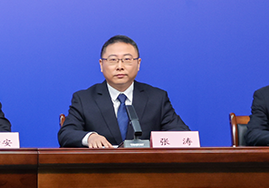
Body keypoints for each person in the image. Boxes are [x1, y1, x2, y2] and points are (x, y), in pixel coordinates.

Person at [58, 35, 189, 148]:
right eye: (113, 60)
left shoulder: (156, 98)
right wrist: (90, 137)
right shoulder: (84, 99)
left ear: (138, 64)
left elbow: (182, 135)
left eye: (127, 59)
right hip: (101, 168)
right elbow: (66, 134)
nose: (120, 67)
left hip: (145, 167)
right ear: (101, 65)